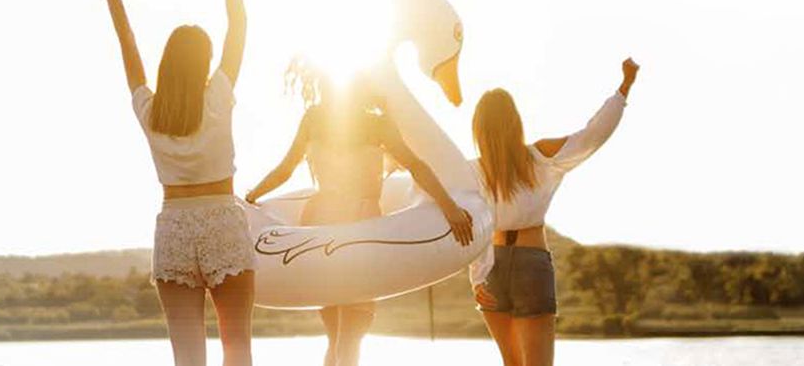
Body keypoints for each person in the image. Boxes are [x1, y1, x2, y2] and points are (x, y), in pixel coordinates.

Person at [82, 0, 254, 366]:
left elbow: (127, 42)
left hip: (174, 229)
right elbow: (240, 23)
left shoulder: (151, 111)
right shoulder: (218, 96)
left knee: (187, 361)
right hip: (221, 222)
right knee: (238, 353)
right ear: (205, 63)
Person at [244, 59, 475, 366]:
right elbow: (416, 166)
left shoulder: (314, 118)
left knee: (337, 334)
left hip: (319, 224)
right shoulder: (376, 123)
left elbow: (285, 169)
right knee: (351, 334)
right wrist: (450, 207)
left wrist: (252, 196)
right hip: (360, 226)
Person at [470, 58, 640, 366]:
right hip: (529, 262)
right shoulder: (539, 158)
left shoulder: (473, 171)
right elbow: (593, 135)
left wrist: (477, 278)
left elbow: (465, 223)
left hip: (491, 263)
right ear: (514, 122)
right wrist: (623, 89)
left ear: (478, 129)